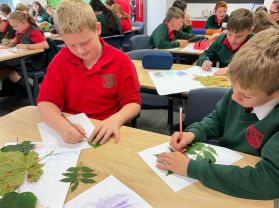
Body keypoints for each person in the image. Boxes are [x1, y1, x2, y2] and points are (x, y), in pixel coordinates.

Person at [156, 28, 279, 200]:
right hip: (224, 171)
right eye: (233, 87)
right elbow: (218, 119)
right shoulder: (241, 89)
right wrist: (194, 132)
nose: (234, 98)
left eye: (245, 95)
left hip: (247, 189)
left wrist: (192, 168)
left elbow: (268, 181)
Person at [37, 0, 141, 145]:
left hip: (109, 131)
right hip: (75, 133)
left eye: (85, 42)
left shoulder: (121, 61)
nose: (80, 50)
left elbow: (133, 103)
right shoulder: (60, 61)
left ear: (97, 28)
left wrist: (115, 120)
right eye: (71, 45)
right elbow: (45, 103)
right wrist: (62, 127)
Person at [0, 10, 49, 95]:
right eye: (13, 27)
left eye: (15, 26)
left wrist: (27, 46)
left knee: (9, 71)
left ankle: (34, 93)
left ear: (23, 22)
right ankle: (11, 91)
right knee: (3, 67)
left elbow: (45, 45)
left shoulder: (33, 31)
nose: (14, 28)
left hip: (34, 62)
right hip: (25, 59)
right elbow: (15, 41)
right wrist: (9, 43)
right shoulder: (20, 30)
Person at [197, 8, 254, 76]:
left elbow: (257, 67)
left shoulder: (254, 42)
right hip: (222, 82)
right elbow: (206, 54)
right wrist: (204, 61)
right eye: (229, 34)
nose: (232, 40)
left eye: (238, 36)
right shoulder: (221, 39)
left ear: (250, 30)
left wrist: (230, 69)